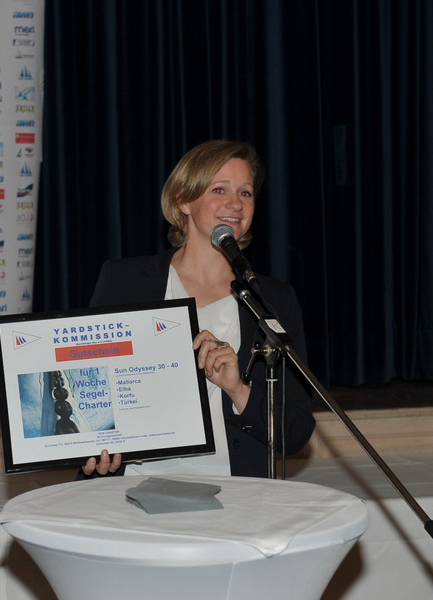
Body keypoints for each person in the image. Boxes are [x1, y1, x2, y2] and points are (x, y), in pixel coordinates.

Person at [81, 139, 315, 479]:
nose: (235, 204)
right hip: (133, 482)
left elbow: (295, 432)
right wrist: (91, 447)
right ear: (184, 200)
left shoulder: (272, 300)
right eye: (219, 189)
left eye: (246, 193)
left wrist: (238, 389)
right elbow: (89, 389)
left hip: (234, 490)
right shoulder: (124, 280)